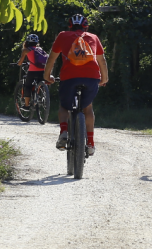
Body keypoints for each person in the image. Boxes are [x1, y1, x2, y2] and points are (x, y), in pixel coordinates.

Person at [44, 14, 109, 157]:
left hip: (69, 77)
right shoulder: (93, 37)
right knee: (88, 107)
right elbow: (102, 61)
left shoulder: (63, 36)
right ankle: (90, 144)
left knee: (64, 106)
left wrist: (47, 76)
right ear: (86, 26)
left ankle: (64, 132)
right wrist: (104, 79)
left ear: (70, 26)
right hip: (91, 77)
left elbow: (52, 59)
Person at [16, 34, 46, 111]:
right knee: (41, 84)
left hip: (32, 71)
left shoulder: (26, 50)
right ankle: (42, 95)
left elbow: (20, 62)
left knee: (28, 86)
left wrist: (18, 63)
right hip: (42, 70)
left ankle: (26, 105)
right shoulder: (40, 49)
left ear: (27, 42)